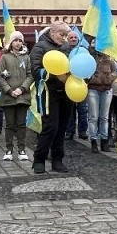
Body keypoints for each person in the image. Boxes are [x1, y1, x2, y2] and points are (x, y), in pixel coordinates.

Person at [30, 22, 76, 174]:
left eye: (65, 36)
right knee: (50, 127)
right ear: (53, 32)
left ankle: (57, 159)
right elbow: (36, 71)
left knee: (62, 128)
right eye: (61, 35)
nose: (64, 38)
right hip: (48, 93)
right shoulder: (39, 47)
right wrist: (56, 74)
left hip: (66, 92)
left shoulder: (66, 48)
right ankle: (39, 159)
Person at [0, 33, 34, 160]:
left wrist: (22, 89)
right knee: (10, 124)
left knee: (21, 124)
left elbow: (30, 75)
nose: (18, 43)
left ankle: (22, 149)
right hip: (9, 97)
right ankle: (9, 149)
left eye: (20, 41)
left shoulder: (26, 58)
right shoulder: (5, 57)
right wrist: (9, 90)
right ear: (11, 42)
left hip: (23, 96)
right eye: (15, 40)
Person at [84, 45, 117, 152]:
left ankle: (104, 141)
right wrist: (92, 78)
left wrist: (110, 78)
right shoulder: (89, 56)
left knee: (105, 117)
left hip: (107, 89)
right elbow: (85, 71)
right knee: (93, 116)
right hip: (93, 89)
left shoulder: (108, 57)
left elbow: (115, 71)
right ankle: (93, 140)